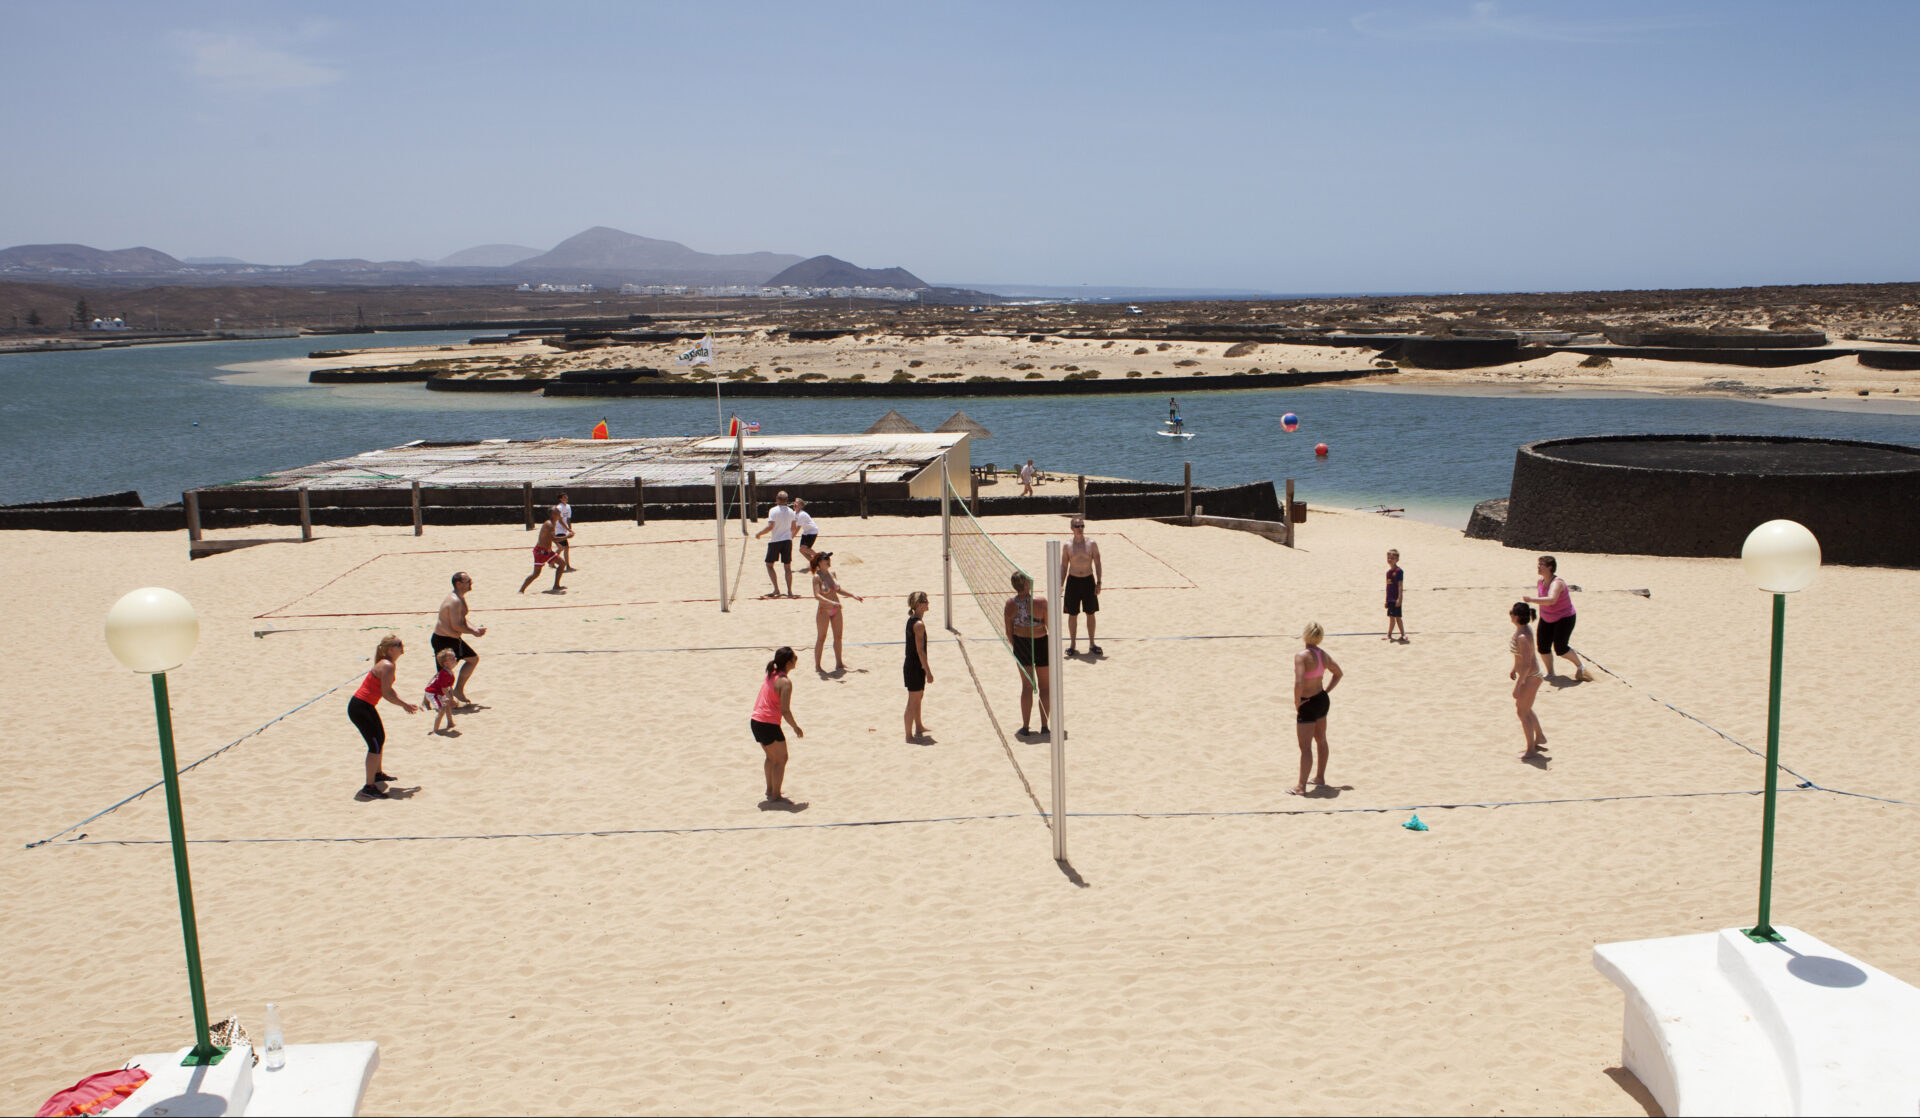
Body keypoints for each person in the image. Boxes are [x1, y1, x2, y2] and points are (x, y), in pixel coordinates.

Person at [348, 634, 417, 800]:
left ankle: (377, 774)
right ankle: (369, 786)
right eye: (400, 645)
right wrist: (404, 705)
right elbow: (386, 694)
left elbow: (388, 689)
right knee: (375, 745)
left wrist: (403, 702)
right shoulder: (387, 665)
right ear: (391, 649)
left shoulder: (388, 664)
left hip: (365, 706)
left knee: (380, 738)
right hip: (360, 707)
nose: (403, 647)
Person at [1290, 621, 1342, 795]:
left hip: (1308, 702)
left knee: (1305, 747)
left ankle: (1301, 786)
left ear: (1305, 635)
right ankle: (1319, 777)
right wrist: (1326, 690)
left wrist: (1297, 702)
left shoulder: (1301, 656)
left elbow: (1299, 683)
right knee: (1321, 739)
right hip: (1321, 699)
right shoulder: (1323, 655)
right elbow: (1338, 673)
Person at [749, 646, 805, 804]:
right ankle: (776, 795)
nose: (796, 660)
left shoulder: (772, 673)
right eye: (794, 658)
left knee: (771, 758)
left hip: (756, 721)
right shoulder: (785, 682)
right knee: (782, 759)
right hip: (768, 724)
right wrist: (795, 727)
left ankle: (770, 790)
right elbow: (785, 710)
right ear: (788, 662)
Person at [1524, 555, 1592, 681]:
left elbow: (1551, 600)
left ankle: (1580, 667)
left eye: (1541, 564)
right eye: (1538, 564)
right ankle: (1551, 673)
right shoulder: (1540, 581)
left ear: (1550, 567)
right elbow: (1544, 601)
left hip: (1564, 617)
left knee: (1561, 648)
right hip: (1547, 617)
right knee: (1543, 647)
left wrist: (1531, 600)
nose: (1538, 567)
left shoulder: (1558, 583)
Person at [1003, 571, 1050, 736]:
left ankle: (1025, 727)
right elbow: (1049, 626)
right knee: (1045, 687)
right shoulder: (1041, 602)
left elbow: (1009, 632)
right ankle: (1044, 726)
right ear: (1026, 585)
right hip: (1041, 643)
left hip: (1022, 645)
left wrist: (1018, 647)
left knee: (1027, 686)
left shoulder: (1010, 604)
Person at [432, 571, 486, 703]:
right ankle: (430, 698)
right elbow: (456, 625)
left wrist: (474, 628)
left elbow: (463, 620)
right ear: (459, 584)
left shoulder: (460, 597)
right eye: (468, 581)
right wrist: (473, 633)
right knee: (444, 674)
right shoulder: (454, 601)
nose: (471, 583)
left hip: (454, 639)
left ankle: (458, 690)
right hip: (443, 640)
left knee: (472, 659)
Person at [810, 551, 864, 673]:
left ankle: (839, 663)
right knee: (821, 638)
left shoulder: (832, 573)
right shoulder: (816, 578)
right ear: (819, 562)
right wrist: (830, 603)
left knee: (838, 637)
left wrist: (852, 595)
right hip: (823, 610)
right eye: (825, 558)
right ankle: (818, 666)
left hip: (836, 608)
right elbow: (817, 595)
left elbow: (838, 590)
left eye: (829, 558)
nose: (828, 560)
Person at [1059, 517, 1103, 656]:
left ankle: (1092, 643)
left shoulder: (1092, 544)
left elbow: (1097, 563)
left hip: (1088, 581)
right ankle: (1072, 644)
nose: (1080, 528)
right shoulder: (1067, 545)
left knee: (1090, 613)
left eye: (1082, 526)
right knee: (1072, 614)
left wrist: (1099, 582)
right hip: (1073, 581)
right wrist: (1061, 584)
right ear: (1071, 528)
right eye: (1077, 526)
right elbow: (1064, 565)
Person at [1509, 602, 1547, 760]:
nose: (1510, 614)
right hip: (1529, 675)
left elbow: (1526, 662)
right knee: (1526, 708)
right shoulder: (1523, 630)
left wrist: (1519, 685)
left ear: (1516, 616)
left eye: (1511, 612)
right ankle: (1539, 737)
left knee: (1522, 711)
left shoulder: (1523, 636)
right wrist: (1513, 668)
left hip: (1530, 677)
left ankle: (1531, 749)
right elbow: (1520, 658)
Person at [755, 490, 799, 598]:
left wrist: (759, 533)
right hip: (787, 541)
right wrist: (789, 536)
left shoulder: (773, 511)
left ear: (777, 499)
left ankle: (776, 589)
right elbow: (794, 528)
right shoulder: (791, 512)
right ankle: (789, 591)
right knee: (787, 567)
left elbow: (770, 527)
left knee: (769, 564)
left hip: (775, 541)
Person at [903, 590, 934, 741]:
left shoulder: (912, 620)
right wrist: (928, 671)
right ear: (920, 604)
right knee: (912, 701)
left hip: (914, 665)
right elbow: (920, 651)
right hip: (914, 667)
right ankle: (908, 736)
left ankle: (919, 726)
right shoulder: (918, 625)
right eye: (926, 601)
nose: (928, 603)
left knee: (919, 696)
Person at [519, 510, 565, 594]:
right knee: (536, 574)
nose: (559, 514)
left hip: (548, 551)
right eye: (557, 513)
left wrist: (558, 545)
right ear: (552, 514)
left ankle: (556, 585)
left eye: (559, 512)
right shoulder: (549, 524)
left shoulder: (552, 523)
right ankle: (521, 590)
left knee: (562, 564)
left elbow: (549, 538)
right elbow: (554, 538)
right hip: (540, 552)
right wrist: (567, 536)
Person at [424, 648, 458, 734]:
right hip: (433, 692)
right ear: (446, 663)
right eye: (452, 658)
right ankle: (435, 729)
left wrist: (451, 698)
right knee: (442, 709)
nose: (455, 659)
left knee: (447, 706)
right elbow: (444, 688)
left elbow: (449, 687)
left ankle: (450, 723)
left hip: (440, 692)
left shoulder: (450, 672)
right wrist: (450, 699)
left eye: (454, 657)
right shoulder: (444, 674)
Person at [1383, 549, 1406, 643]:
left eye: (1392, 558)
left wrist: (1399, 599)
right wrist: (1386, 600)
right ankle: (1389, 635)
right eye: (1388, 558)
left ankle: (1403, 634)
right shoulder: (1388, 573)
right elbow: (1387, 587)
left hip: (1396, 598)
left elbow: (1400, 587)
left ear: (1397, 560)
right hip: (1390, 598)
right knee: (1391, 618)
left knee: (1398, 617)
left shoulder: (1399, 571)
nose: (1390, 559)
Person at [793, 497, 820, 567]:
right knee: (802, 550)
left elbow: (798, 528)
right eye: (795, 502)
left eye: (797, 503)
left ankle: (820, 557)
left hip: (812, 531)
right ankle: (814, 563)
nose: (795, 504)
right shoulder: (794, 513)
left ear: (801, 506)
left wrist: (791, 537)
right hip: (806, 532)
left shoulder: (802, 514)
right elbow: (792, 526)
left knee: (804, 548)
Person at [553, 491, 576, 572]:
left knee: (561, 547)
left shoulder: (568, 507)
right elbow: (560, 521)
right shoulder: (559, 508)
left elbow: (568, 519)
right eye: (564, 497)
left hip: (564, 530)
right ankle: (568, 566)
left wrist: (570, 529)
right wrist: (568, 529)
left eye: (566, 497)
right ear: (560, 499)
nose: (566, 498)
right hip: (558, 530)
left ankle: (552, 561)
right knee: (565, 547)